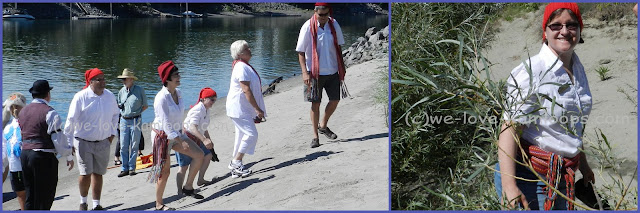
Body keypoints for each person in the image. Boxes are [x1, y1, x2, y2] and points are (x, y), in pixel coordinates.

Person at [494, 3, 594, 210]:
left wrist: (583, 164)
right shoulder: (532, 71)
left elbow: (572, 125)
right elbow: (509, 129)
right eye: (556, 25)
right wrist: (509, 186)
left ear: (579, 29)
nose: (564, 31)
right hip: (531, 179)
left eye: (571, 25)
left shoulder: (577, 67)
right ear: (545, 31)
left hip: (564, 176)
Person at [149, 60, 205, 211]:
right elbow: (166, 124)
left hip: (176, 134)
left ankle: (187, 187)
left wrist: (183, 135)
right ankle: (159, 204)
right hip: (161, 137)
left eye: (178, 74)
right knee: (164, 172)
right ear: (167, 79)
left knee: (199, 155)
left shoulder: (178, 93)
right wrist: (181, 140)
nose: (179, 77)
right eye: (175, 75)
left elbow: (179, 117)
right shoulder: (161, 98)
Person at [64, 68, 120, 211]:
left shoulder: (109, 96)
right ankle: (83, 202)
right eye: (99, 79)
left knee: (99, 173)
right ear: (91, 82)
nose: (103, 82)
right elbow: (70, 121)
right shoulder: (81, 97)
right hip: (83, 142)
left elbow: (116, 115)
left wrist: (112, 134)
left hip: (103, 142)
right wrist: (68, 144)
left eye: (103, 79)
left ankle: (96, 204)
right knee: (85, 173)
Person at [296, 2, 349, 148]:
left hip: (332, 70)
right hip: (314, 73)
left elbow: (339, 46)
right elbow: (300, 52)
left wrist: (341, 67)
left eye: (326, 14)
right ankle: (315, 136)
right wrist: (304, 72)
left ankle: (323, 125)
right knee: (315, 103)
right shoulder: (307, 26)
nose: (324, 17)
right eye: (321, 15)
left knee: (335, 100)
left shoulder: (333, 24)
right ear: (315, 12)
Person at [19, 80, 74, 210]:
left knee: (30, 195)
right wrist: (68, 154)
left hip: (25, 154)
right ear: (47, 94)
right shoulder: (50, 112)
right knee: (45, 196)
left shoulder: (23, 111)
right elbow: (58, 139)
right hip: (42, 156)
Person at [226, 40, 266, 178]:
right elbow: (246, 89)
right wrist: (257, 109)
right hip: (239, 108)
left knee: (241, 135)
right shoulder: (241, 67)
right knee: (251, 134)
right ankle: (236, 162)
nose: (250, 49)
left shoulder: (243, 65)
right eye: (246, 48)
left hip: (241, 107)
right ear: (239, 53)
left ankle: (236, 166)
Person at [175, 87, 216, 195]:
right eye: (212, 99)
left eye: (215, 99)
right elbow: (193, 128)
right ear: (204, 99)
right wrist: (204, 139)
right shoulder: (198, 110)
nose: (213, 102)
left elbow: (203, 127)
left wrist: (209, 140)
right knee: (183, 167)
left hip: (196, 139)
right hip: (185, 139)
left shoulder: (206, 110)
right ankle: (180, 191)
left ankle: (200, 179)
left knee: (208, 155)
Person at [116, 68, 148, 177]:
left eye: (125, 79)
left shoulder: (140, 90)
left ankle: (132, 168)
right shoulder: (121, 91)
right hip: (124, 120)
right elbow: (119, 105)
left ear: (131, 79)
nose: (123, 81)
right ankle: (124, 168)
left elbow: (145, 105)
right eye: (122, 79)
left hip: (136, 120)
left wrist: (136, 113)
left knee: (134, 145)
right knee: (123, 145)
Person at [2, 93, 27, 210]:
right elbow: (4, 148)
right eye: (12, 107)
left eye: (17, 106)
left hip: (27, 165)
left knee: (30, 193)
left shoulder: (28, 122)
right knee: (20, 193)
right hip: (14, 166)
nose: (15, 109)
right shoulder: (8, 127)